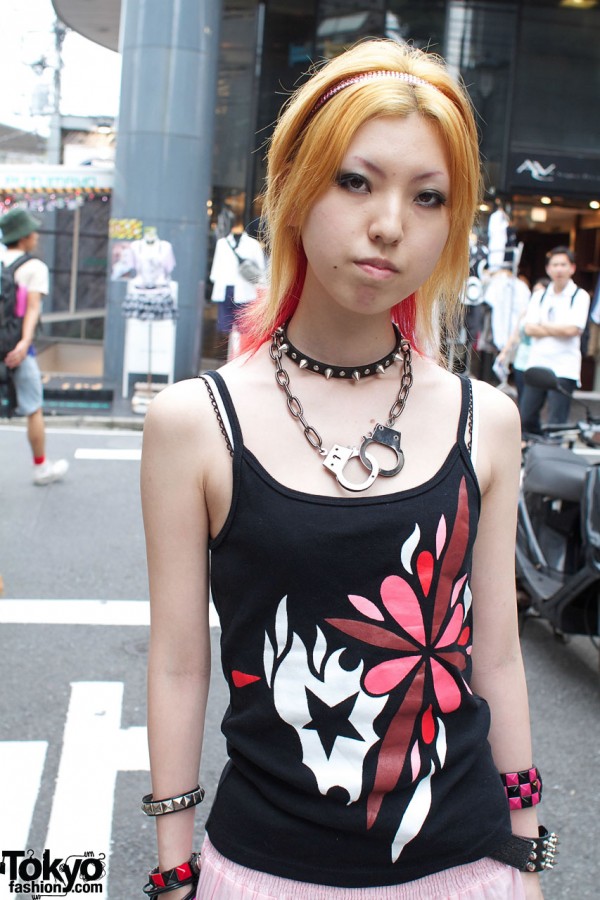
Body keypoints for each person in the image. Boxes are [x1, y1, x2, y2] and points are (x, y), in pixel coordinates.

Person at [141, 40, 556, 900]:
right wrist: (173, 869)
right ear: (293, 188)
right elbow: (180, 663)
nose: (390, 223)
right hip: (258, 871)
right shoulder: (194, 424)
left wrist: (526, 855)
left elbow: (501, 663)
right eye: (355, 181)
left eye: (428, 196)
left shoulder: (487, 421)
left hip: (465, 868)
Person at [0, 208, 68, 485]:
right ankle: (41, 468)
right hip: (17, 349)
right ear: (25, 237)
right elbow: (31, 310)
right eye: (33, 232)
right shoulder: (34, 267)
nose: (37, 235)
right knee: (33, 408)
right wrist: (24, 344)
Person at [519, 246, 590, 435]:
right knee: (526, 417)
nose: (559, 269)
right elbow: (529, 328)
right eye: (555, 265)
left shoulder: (579, 296)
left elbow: (573, 329)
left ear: (572, 268)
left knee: (556, 421)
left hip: (564, 368)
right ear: (548, 269)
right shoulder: (540, 295)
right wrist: (558, 328)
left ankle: (551, 454)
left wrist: (543, 326)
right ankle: (533, 453)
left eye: (563, 265)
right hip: (537, 364)